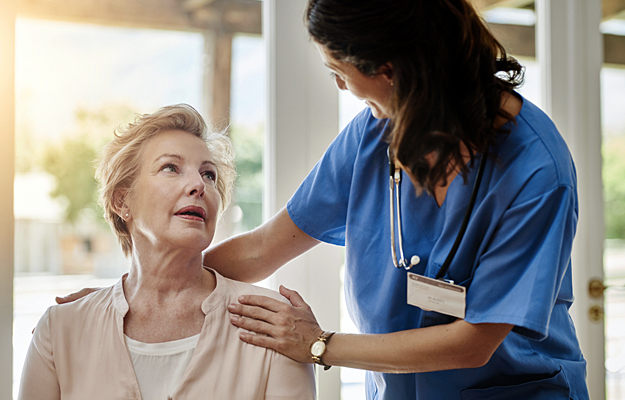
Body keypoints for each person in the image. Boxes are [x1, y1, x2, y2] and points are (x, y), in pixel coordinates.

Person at [57, 1, 589, 399]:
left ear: (391, 71)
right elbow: (264, 248)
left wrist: (318, 345)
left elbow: (473, 342)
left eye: (339, 71)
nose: (338, 86)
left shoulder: (535, 171)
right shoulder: (372, 136)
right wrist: (134, 295)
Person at [19, 104, 315, 400]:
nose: (199, 184)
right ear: (122, 202)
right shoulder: (59, 330)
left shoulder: (276, 325)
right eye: (170, 168)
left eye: (209, 175)